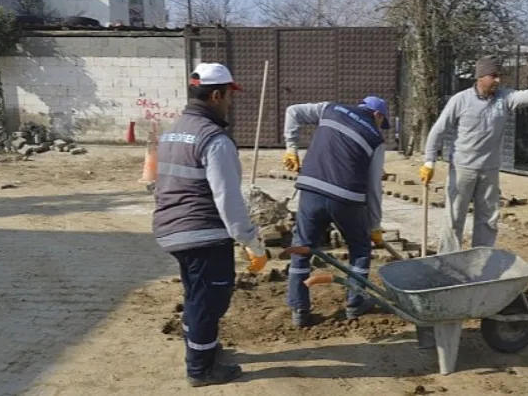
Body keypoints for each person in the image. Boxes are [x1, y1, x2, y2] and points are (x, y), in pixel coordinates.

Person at [152, 62, 268, 387]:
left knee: (195, 296)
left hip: (172, 227)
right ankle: (201, 369)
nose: (231, 102)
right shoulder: (214, 139)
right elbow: (228, 200)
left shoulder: (175, 129)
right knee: (210, 300)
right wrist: (251, 241)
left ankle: (203, 349)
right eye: (229, 95)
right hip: (201, 233)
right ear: (216, 95)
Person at [420, 55, 528, 252]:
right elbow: (438, 129)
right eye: (493, 76)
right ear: (480, 77)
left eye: (499, 76)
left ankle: (482, 258)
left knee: (488, 218)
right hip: (463, 168)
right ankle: (448, 259)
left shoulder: (504, 98)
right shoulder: (460, 101)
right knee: (454, 216)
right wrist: (429, 162)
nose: (498, 80)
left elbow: (526, 95)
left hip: (490, 169)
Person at [281, 95, 389, 328]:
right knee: (360, 250)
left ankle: (299, 309)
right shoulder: (375, 138)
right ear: (377, 115)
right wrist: (374, 225)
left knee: (302, 247)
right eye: (383, 122)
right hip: (347, 199)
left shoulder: (330, 109)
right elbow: (373, 188)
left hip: (311, 191)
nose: (382, 127)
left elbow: (292, 111)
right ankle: (354, 303)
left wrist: (291, 148)